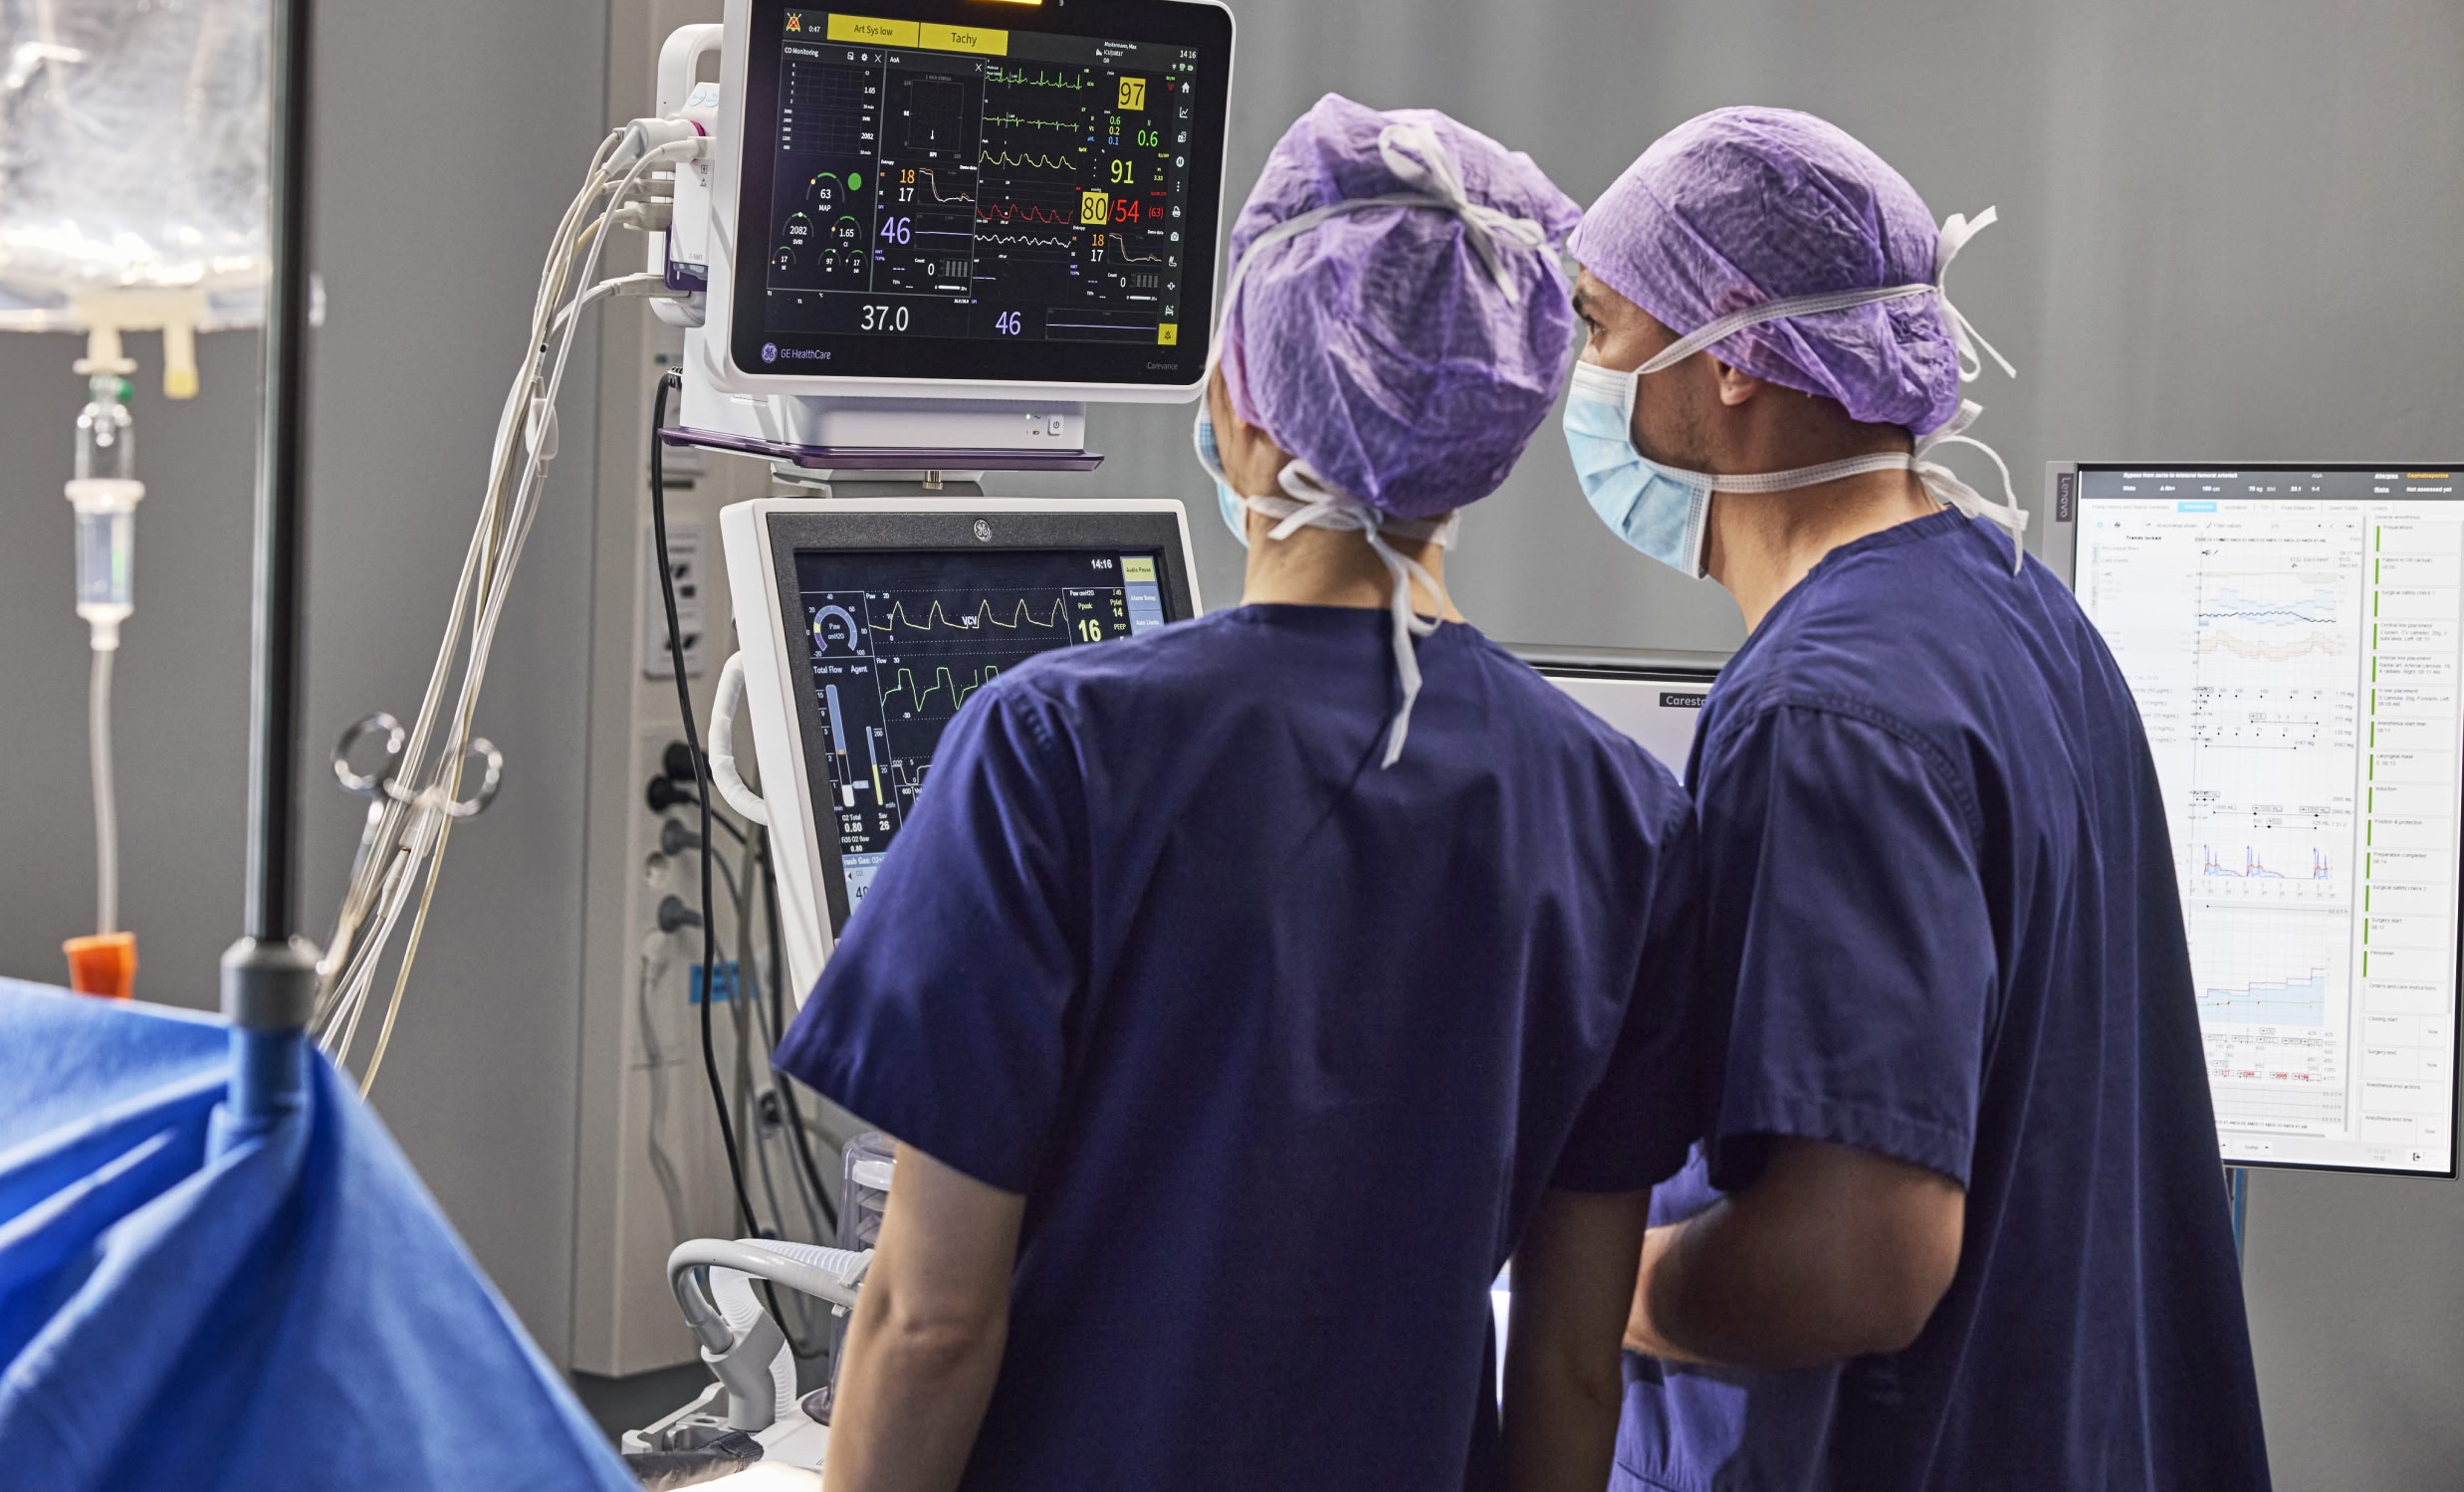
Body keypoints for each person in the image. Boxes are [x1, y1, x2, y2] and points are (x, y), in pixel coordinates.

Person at [773, 94, 1707, 1492]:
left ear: (1238, 396)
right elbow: (1573, 1363)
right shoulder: (1621, 811)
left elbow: (929, 1320)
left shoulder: (1053, 747)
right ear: (1486, 435)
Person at [1560, 107, 2270, 1491]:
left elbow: (1859, 1259)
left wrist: (1584, 1284)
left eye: (1603, 328)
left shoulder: (1825, 715)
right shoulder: (2019, 608)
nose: (1584, 384)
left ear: (1735, 351)